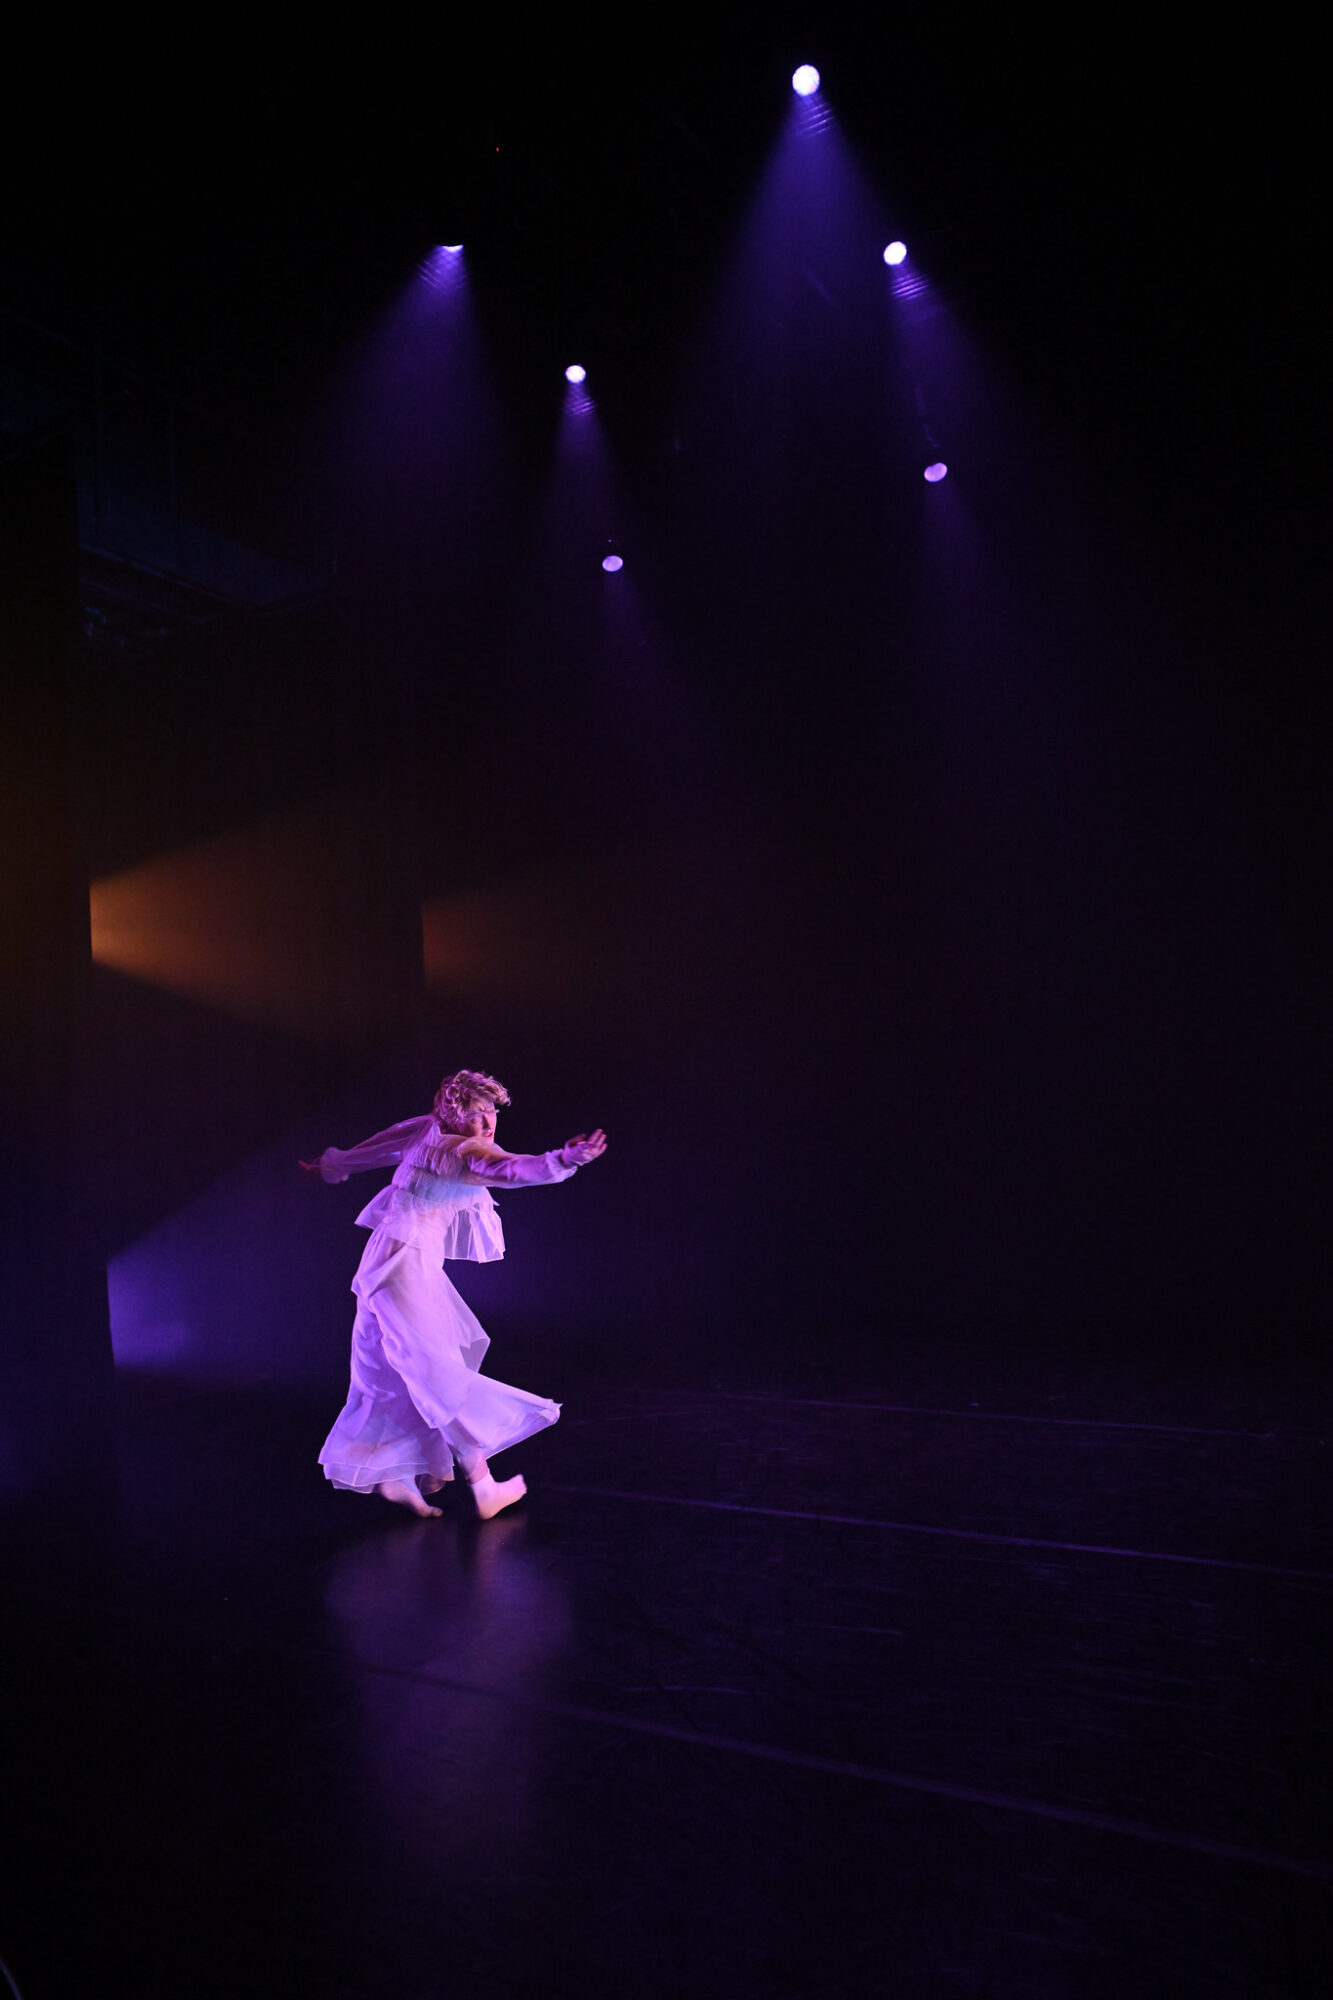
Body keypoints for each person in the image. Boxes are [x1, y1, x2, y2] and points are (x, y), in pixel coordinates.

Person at [301, 1068, 606, 1520]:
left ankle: (396, 1477)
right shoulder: (460, 1149)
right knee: (431, 1369)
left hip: (391, 1262)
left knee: (381, 1368)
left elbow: (381, 1146)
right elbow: (510, 1169)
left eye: (490, 1116)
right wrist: (564, 1160)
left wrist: (335, 1164)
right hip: (402, 1267)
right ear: (450, 1114)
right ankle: (483, 1485)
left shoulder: (430, 1130)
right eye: (476, 1117)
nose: (486, 1127)